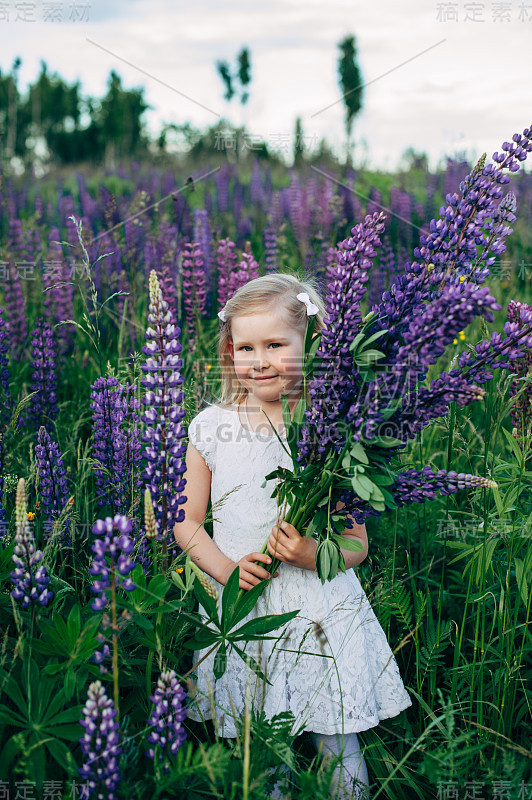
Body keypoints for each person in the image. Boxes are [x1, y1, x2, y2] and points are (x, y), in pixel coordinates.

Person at [174, 273, 412, 799]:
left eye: (276, 345)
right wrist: (227, 570)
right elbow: (184, 521)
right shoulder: (209, 426)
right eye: (245, 347)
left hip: (320, 612)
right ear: (228, 351)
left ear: (313, 346)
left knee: (337, 737)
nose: (258, 359)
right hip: (243, 610)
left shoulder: (331, 431)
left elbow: (357, 545)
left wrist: (310, 553)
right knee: (262, 747)